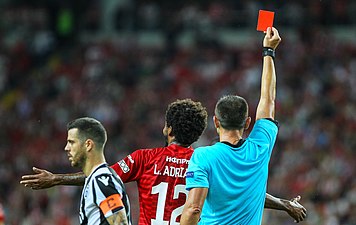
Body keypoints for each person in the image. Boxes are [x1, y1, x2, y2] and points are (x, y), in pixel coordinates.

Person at [21, 99, 306, 224]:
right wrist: (283, 204)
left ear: (168, 128)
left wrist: (58, 178)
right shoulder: (204, 160)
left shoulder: (145, 159)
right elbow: (246, 193)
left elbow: (101, 177)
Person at [180, 27, 286, 225]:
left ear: (216, 122)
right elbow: (268, 100)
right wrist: (268, 52)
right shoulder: (260, 148)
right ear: (247, 123)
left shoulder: (203, 156)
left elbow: (194, 209)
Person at [64, 117, 131, 225]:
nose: (67, 148)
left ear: (88, 145)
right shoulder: (97, 178)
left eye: (71, 142)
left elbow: (120, 223)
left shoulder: (101, 180)